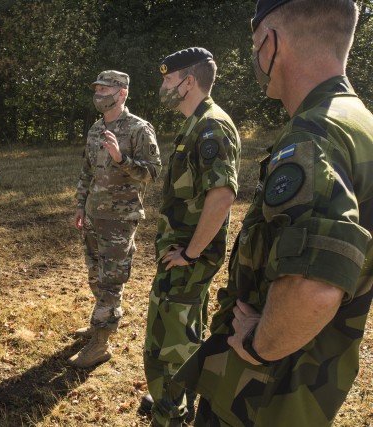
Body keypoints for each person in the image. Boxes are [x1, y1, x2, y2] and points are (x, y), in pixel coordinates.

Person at [172, 1, 373, 425]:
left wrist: (258, 344)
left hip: (262, 393)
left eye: (254, 45)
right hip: (311, 384)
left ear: (271, 44)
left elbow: (314, 288)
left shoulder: (313, 136)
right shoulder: (359, 123)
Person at [141, 48, 241, 425]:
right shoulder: (195, 123)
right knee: (181, 332)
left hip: (187, 259)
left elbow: (223, 195)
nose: (163, 87)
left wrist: (192, 253)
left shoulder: (211, 126)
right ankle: (174, 401)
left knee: (167, 343)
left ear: (189, 81)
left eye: (169, 80)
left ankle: (170, 413)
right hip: (181, 254)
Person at [70, 70, 162, 368]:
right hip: (94, 215)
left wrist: (122, 159)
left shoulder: (138, 129)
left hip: (120, 220)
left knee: (111, 281)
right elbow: (87, 170)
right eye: (96, 89)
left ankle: (100, 343)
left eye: (105, 89)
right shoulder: (96, 128)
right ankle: (101, 322)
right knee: (96, 275)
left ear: (121, 93)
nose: (99, 94)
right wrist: (81, 205)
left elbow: (152, 172)